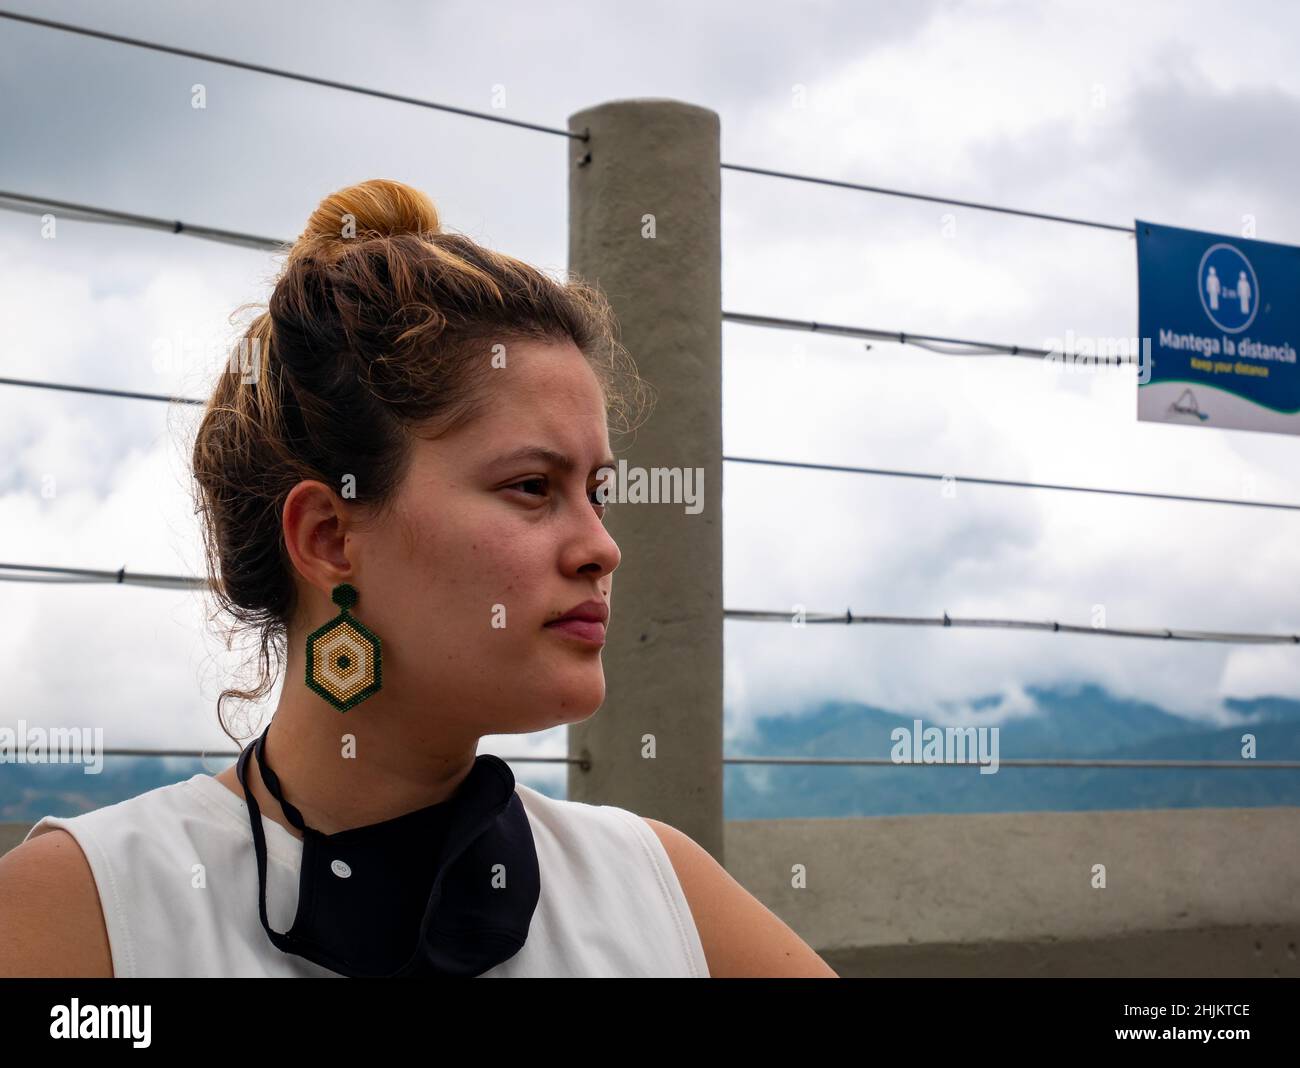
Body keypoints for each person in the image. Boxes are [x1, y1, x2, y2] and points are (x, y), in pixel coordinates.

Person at [0, 178, 837, 978]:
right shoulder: (85, 917)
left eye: (598, 492)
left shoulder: (659, 891)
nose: (601, 547)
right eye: (532, 488)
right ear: (329, 536)